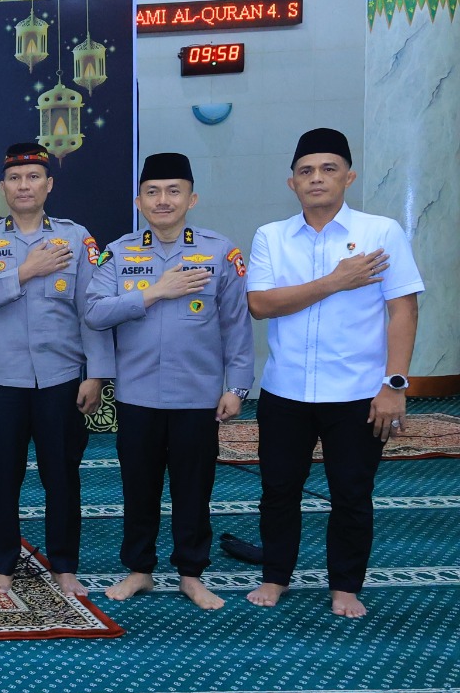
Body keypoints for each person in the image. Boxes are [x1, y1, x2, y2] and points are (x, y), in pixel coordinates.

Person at [244, 128, 423, 618]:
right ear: (292, 183)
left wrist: (394, 385)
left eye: (328, 169)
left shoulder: (381, 232)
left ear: (349, 177)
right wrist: (336, 281)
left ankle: (345, 586)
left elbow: (403, 311)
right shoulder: (271, 236)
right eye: (306, 171)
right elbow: (260, 305)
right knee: (278, 490)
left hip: (359, 392)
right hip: (285, 390)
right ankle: (275, 576)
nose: (316, 178)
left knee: (351, 493)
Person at [83, 153, 254, 610]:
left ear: (191, 199)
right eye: (153, 192)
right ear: (138, 201)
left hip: (197, 397)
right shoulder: (119, 252)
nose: (163, 200)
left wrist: (236, 387)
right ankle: (139, 570)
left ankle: (191, 574)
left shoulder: (219, 252)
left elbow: (237, 326)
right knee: (138, 488)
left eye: (174, 191)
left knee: (193, 490)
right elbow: (94, 312)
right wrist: (154, 291)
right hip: (137, 396)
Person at [0, 142, 114, 598]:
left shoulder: (75, 238)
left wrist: (96, 373)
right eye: (15, 178)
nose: (23, 186)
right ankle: (2, 566)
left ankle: (64, 566)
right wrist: (22, 273)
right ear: (2, 187)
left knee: (62, 476)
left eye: (33, 177)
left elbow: (92, 310)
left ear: (49, 184)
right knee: (0, 477)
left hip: (60, 378)